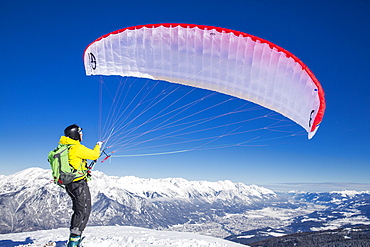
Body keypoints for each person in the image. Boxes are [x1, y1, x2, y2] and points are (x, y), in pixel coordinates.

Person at [59, 124, 101, 247]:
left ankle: (75, 238)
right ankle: (74, 241)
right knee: (83, 210)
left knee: (79, 209)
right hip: (78, 184)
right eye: (80, 132)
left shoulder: (66, 147)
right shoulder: (77, 148)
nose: (82, 134)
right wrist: (98, 146)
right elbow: (95, 155)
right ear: (75, 135)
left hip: (70, 184)